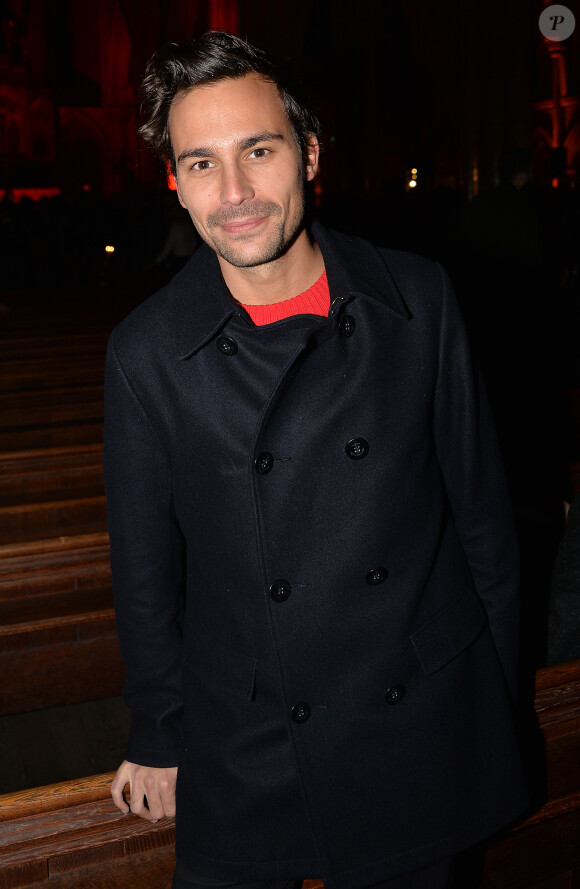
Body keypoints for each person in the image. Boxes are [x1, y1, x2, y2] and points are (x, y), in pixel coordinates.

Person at [104, 31, 528, 889]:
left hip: (414, 721)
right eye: (200, 164)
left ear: (309, 153)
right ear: (176, 184)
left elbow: (486, 523)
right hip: (248, 736)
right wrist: (159, 731)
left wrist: (497, 700)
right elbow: (146, 572)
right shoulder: (145, 351)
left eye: (258, 151)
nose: (235, 195)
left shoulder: (418, 298)